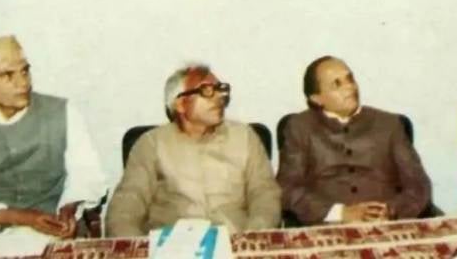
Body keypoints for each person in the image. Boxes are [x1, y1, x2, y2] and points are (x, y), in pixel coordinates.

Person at [0, 35, 107, 240]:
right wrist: (22, 218)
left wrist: (69, 208)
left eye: (24, 71)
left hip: (54, 232)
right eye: (7, 75)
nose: (23, 83)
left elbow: (86, 175)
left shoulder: (63, 113)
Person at [106, 64, 281, 236]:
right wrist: (139, 250)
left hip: (234, 242)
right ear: (180, 104)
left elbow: (265, 194)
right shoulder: (152, 144)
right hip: (172, 248)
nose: (219, 97)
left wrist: (253, 237)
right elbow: (127, 205)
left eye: (220, 89)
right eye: (206, 91)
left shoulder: (244, 137)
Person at [277, 56, 432, 225]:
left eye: (350, 79)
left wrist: (391, 211)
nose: (350, 88)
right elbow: (287, 189)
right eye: (337, 84)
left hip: (385, 226)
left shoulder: (389, 124)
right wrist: (339, 213)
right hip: (327, 230)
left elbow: (419, 185)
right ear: (317, 98)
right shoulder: (300, 128)